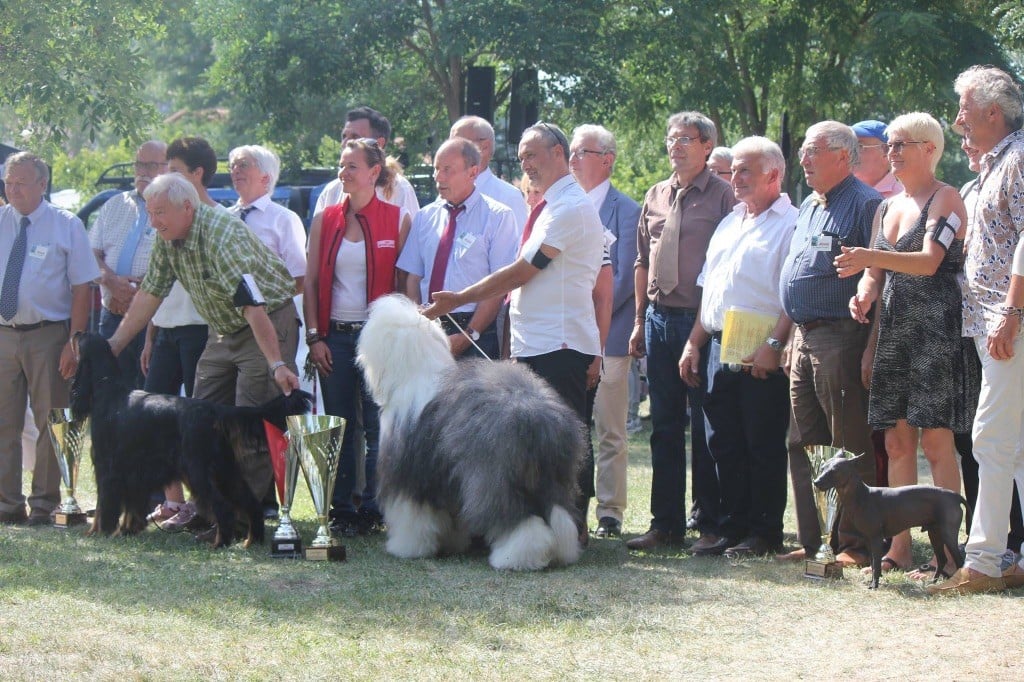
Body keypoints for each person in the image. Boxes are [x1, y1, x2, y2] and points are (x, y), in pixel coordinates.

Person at [424, 122, 604, 527]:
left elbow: (523, 271)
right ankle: (542, 523)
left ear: (560, 153)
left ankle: (572, 528)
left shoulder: (570, 207)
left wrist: (458, 298)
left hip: (560, 345)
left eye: (533, 154)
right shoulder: (547, 207)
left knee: (564, 444)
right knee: (535, 445)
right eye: (522, 157)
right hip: (535, 343)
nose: (526, 164)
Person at [107, 173, 301, 530]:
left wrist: (275, 363)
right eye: (150, 213)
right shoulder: (167, 237)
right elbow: (150, 293)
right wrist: (114, 346)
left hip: (266, 321)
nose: (154, 222)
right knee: (197, 422)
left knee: (247, 421)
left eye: (160, 212)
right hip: (223, 328)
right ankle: (213, 514)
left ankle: (246, 519)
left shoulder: (221, 236)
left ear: (187, 208)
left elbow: (254, 307)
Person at [836, 113, 967, 578]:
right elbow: (876, 273)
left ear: (930, 148)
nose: (891, 152)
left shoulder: (946, 198)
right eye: (888, 144)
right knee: (895, 444)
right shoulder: (886, 207)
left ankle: (949, 559)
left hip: (935, 333)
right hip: (893, 333)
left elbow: (930, 262)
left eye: (901, 144)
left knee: (936, 443)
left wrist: (870, 259)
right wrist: (864, 294)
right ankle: (898, 550)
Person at [930, 65, 1024, 595]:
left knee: (990, 436)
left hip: (1009, 323)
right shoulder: (993, 164)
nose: (958, 117)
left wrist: (1011, 314)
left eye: (965, 106)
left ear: (994, 111)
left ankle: (984, 561)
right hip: (992, 323)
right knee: (1016, 443)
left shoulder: (1019, 158)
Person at [679, 136, 797, 557]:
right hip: (717, 344)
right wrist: (694, 343)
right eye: (734, 170)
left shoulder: (792, 223)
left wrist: (773, 344)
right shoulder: (730, 222)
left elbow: (792, 295)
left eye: (746, 170)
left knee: (761, 443)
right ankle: (730, 528)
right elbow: (708, 290)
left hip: (760, 349)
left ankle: (763, 532)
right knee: (722, 442)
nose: (736, 178)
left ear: (774, 175)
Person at [626, 112, 736, 551]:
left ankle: (709, 523)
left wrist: (700, 332)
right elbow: (641, 261)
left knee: (706, 426)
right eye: (671, 138)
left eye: (686, 139)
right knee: (664, 426)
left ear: (708, 146)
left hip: (702, 324)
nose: (676, 146)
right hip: (657, 319)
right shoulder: (655, 194)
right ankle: (665, 524)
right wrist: (637, 321)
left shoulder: (724, 197)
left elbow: (725, 269)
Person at [776, 121, 881, 567]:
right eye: (802, 150)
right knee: (804, 441)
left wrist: (872, 345)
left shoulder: (866, 204)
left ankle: (855, 543)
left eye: (813, 150)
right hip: (804, 337)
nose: (804, 159)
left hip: (841, 335)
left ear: (843, 155)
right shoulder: (809, 205)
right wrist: (786, 336)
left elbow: (880, 278)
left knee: (845, 441)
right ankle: (817, 541)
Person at [304, 138, 411, 537]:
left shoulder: (397, 219)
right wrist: (315, 337)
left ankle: (375, 506)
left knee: (378, 426)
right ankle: (341, 507)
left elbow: (403, 286)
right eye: (341, 165)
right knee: (339, 424)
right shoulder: (325, 218)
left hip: (378, 341)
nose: (343, 172)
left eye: (351, 166)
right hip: (335, 338)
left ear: (373, 172)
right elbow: (312, 282)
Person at [0, 152, 99, 525]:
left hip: (49, 335)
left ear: (43, 184)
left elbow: (82, 287)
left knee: (53, 421)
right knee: (4, 422)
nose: (13, 189)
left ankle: (44, 504)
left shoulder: (66, 225)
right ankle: (7, 504)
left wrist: (73, 341)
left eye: (21, 182)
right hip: (4, 335)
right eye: (9, 182)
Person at [569, 124, 641, 539]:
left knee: (609, 428)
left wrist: (579, 310)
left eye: (583, 152)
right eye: (573, 152)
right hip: (563, 337)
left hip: (607, 335)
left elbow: (623, 280)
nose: (574, 159)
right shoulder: (560, 205)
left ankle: (610, 511)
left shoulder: (626, 212)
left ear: (607, 159)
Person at [142, 137, 217, 530]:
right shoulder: (164, 222)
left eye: (173, 170)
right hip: (167, 331)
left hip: (200, 331)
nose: (163, 176)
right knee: (157, 416)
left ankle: (202, 505)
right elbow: (155, 287)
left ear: (195, 175)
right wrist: (150, 337)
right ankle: (173, 503)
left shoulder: (217, 221)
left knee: (194, 422)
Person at [397, 137, 517, 360]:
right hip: (427, 331)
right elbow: (412, 277)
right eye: (436, 169)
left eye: (447, 170)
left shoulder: (498, 217)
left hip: (474, 332)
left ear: (473, 172)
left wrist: (469, 334)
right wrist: (418, 325)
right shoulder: (425, 217)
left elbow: (499, 285)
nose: (438, 177)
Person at [89, 140, 167, 389]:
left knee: (149, 399)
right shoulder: (114, 205)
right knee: (108, 394)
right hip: (112, 314)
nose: (143, 171)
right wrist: (113, 282)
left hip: (153, 322)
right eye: (139, 164)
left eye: (152, 165)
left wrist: (138, 294)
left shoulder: (174, 207)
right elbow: (91, 255)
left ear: (168, 168)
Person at [850, 119, 902, 490]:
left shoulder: (897, 197)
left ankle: (887, 517)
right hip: (851, 320)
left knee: (886, 430)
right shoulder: (847, 194)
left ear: (886, 151)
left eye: (860, 146)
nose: (852, 154)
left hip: (893, 323)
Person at [314, 106, 420, 218]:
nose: (346, 143)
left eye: (355, 137)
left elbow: (413, 235)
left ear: (379, 144)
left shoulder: (400, 189)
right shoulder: (332, 191)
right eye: (344, 136)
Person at [229, 145, 307, 294]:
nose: (235, 170)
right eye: (232, 166)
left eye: (243, 165)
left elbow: (299, 278)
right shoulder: (225, 217)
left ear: (265, 177)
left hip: (273, 311)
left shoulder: (284, 219)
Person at [450, 115, 529, 232]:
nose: (448, 150)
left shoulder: (508, 197)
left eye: (457, 143)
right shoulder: (445, 194)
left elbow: (518, 247)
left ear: (484, 147)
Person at [851, 120, 904, 199]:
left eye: (859, 146)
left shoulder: (901, 199)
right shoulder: (842, 194)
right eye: (850, 146)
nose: (851, 152)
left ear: (886, 150)